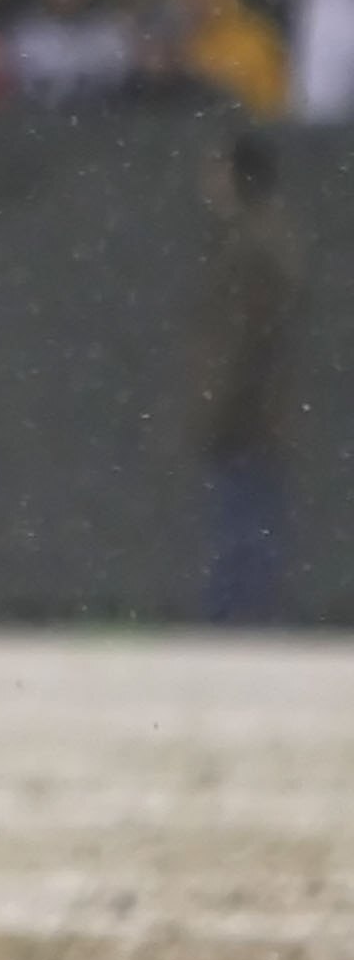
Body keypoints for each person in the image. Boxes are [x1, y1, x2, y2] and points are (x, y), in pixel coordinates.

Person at [191, 130, 300, 623]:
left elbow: (240, 344)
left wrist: (215, 407)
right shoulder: (263, 240)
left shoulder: (254, 248)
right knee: (249, 518)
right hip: (255, 414)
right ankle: (245, 613)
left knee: (245, 522)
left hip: (247, 417)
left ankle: (240, 618)